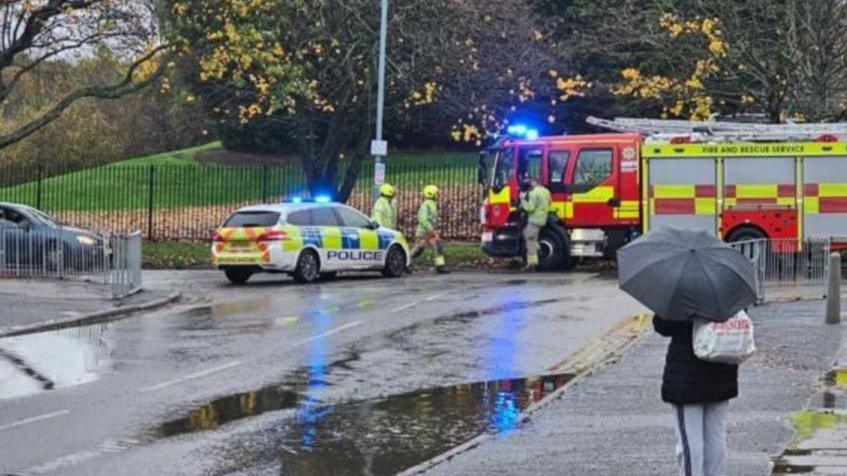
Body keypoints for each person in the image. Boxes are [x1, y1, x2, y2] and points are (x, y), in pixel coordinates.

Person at [654, 315, 738, 476]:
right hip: (720, 369)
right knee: (716, 439)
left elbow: (663, 326)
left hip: (686, 376)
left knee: (690, 445)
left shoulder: (682, 294)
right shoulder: (727, 293)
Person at [409, 184, 448, 274]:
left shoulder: (432, 204)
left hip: (429, 231)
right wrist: (432, 230)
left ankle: (440, 266)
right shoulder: (426, 205)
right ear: (431, 194)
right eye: (436, 193)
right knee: (418, 249)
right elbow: (423, 219)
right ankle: (406, 262)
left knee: (437, 247)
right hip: (424, 232)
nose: (438, 195)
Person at [519, 176, 551, 271]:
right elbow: (550, 202)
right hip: (543, 219)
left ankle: (532, 263)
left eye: (530, 183)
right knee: (526, 233)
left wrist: (523, 200)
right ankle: (537, 246)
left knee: (530, 240)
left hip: (534, 220)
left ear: (534, 182)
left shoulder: (533, 193)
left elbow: (530, 208)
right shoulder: (546, 191)